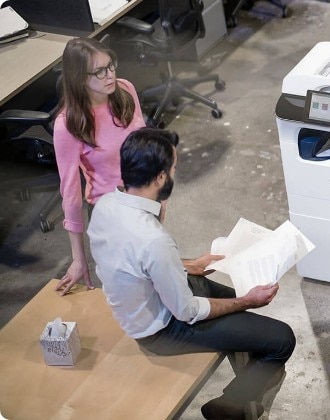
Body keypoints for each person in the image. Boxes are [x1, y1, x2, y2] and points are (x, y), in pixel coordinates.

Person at [87, 128, 295, 419]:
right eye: (173, 168)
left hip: (154, 300)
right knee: (282, 339)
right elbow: (186, 310)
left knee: (242, 306)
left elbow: (130, 259)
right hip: (163, 330)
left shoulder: (106, 205)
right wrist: (247, 301)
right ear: (160, 178)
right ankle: (230, 405)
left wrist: (189, 266)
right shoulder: (153, 238)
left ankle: (250, 382)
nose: (175, 173)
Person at [53, 38, 147, 295]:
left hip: (144, 201)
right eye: (99, 71)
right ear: (79, 78)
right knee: (130, 293)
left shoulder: (125, 90)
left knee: (156, 277)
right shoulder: (69, 125)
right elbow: (70, 195)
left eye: (110, 65)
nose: (110, 75)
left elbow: (144, 145)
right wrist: (78, 258)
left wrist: (159, 197)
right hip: (111, 213)